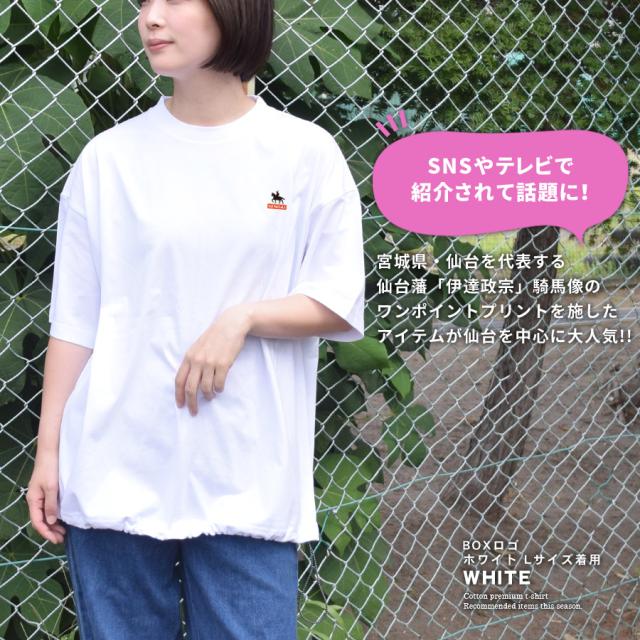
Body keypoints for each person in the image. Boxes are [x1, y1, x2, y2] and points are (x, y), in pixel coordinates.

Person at [25, 0, 365, 638]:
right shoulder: (109, 159)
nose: (151, 18)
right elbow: (75, 321)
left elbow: (335, 297)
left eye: (174, 1)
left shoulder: (303, 153)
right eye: (145, 3)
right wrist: (50, 454)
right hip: (116, 467)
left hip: (246, 474)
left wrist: (242, 318)